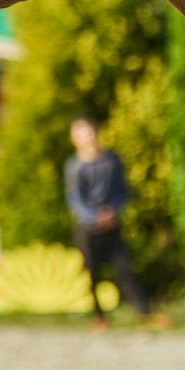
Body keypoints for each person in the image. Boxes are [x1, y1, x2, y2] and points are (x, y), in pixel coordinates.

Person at [63, 117, 149, 329]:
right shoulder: (74, 167)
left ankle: (144, 311)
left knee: (124, 267)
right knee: (92, 272)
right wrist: (94, 218)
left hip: (112, 222)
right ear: (74, 138)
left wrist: (113, 212)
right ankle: (99, 315)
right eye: (81, 134)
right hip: (87, 227)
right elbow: (75, 199)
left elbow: (123, 190)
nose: (87, 137)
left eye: (89, 132)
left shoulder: (111, 160)